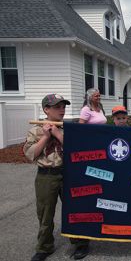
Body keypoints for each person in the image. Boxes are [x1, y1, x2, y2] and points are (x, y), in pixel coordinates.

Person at [23, 94, 90, 261]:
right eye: (57, 107)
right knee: (45, 213)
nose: (62, 109)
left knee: (74, 209)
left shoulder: (69, 129)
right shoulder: (36, 130)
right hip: (46, 175)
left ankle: (80, 243)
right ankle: (45, 247)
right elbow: (31, 154)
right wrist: (46, 136)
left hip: (68, 173)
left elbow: (78, 152)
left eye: (63, 106)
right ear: (46, 109)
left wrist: (58, 134)